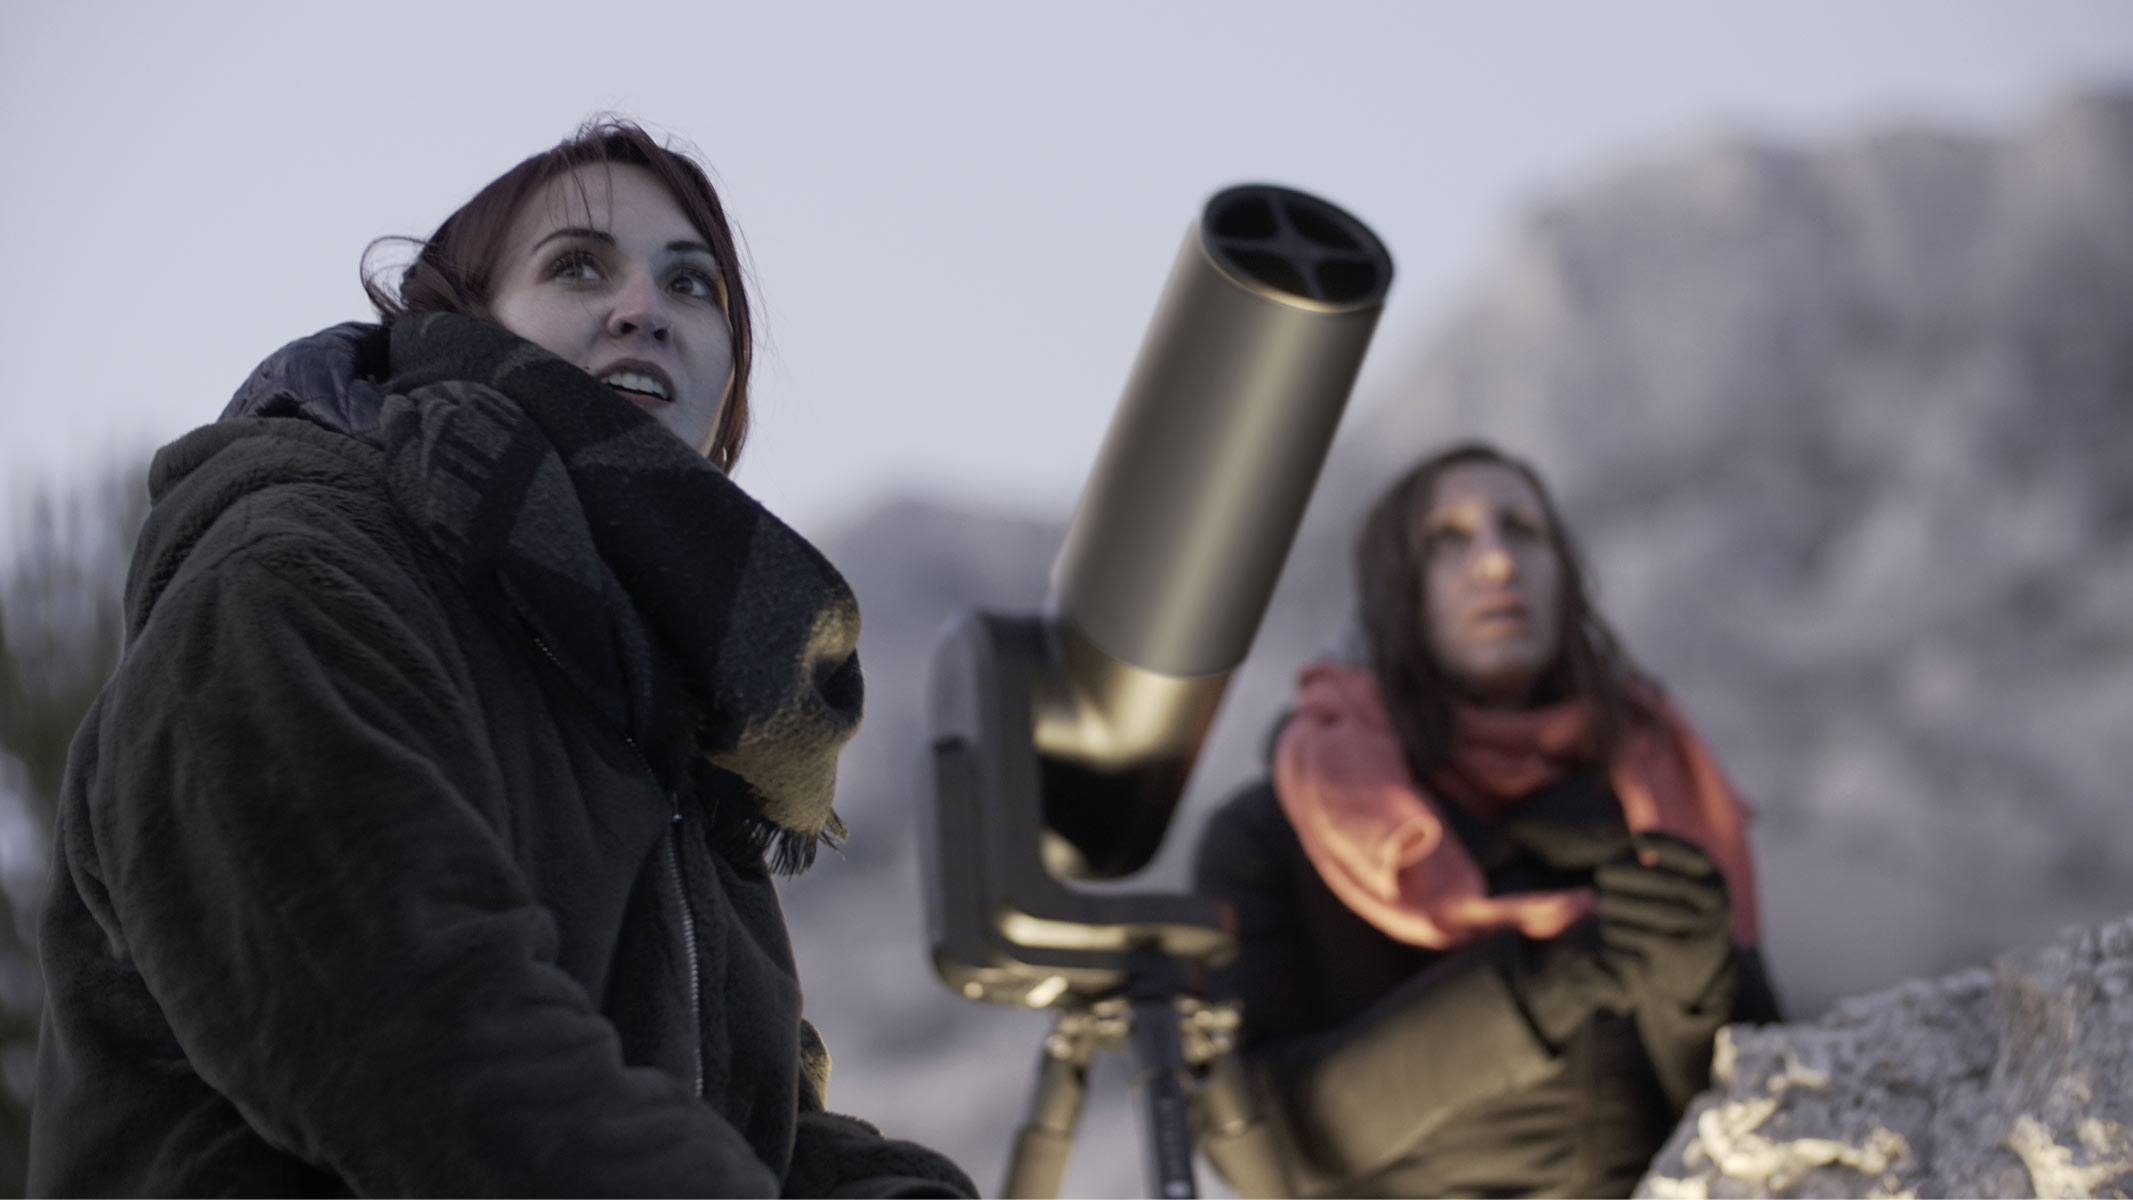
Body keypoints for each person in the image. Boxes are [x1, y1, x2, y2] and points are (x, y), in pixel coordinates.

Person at [32, 119, 975, 1198]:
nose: (644, 309)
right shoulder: (290, 581)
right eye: (579, 266)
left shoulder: (658, 721)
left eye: (693, 286)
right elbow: (425, 1045)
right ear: (456, 323)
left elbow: (745, 1123)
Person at [1194, 442, 1781, 1199]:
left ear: (1566, 576)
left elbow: (1767, 1112)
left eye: (1523, 530)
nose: (1497, 563)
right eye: (1447, 540)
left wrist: (1695, 987)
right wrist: (1541, 981)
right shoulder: (1272, 835)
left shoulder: (1664, 798)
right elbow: (1255, 1151)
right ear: (1391, 589)